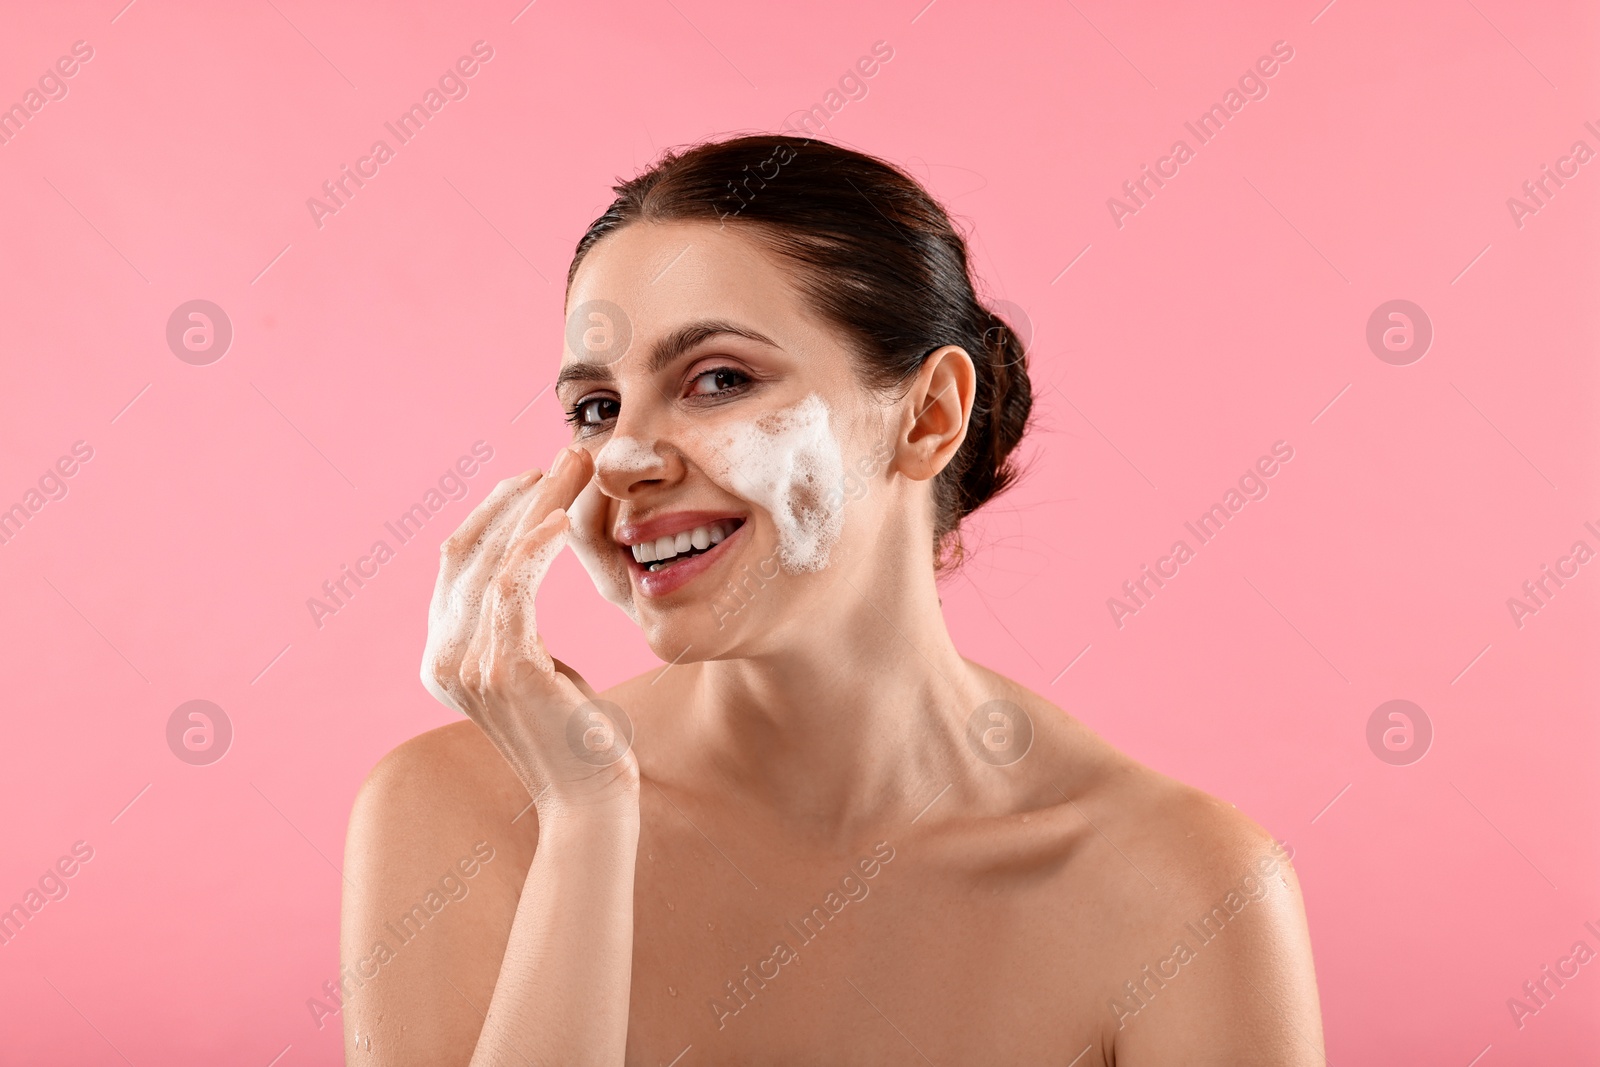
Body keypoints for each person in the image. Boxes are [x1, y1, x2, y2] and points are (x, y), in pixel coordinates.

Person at [339, 134, 1324, 1065]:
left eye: (718, 378)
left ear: (930, 415)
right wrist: (585, 820)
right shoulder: (459, 816)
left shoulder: (1183, 890)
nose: (627, 457)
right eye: (597, 408)